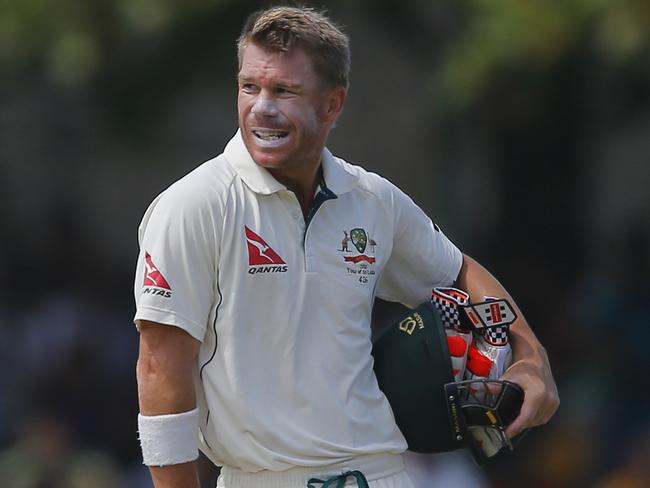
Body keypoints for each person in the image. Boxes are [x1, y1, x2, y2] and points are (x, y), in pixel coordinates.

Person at [134, 6, 559, 488]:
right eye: (249, 86)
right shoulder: (194, 205)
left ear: (332, 104)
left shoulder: (373, 200)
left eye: (284, 91)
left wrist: (530, 360)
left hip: (381, 475)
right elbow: (159, 368)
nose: (261, 107)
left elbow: (460, 273)